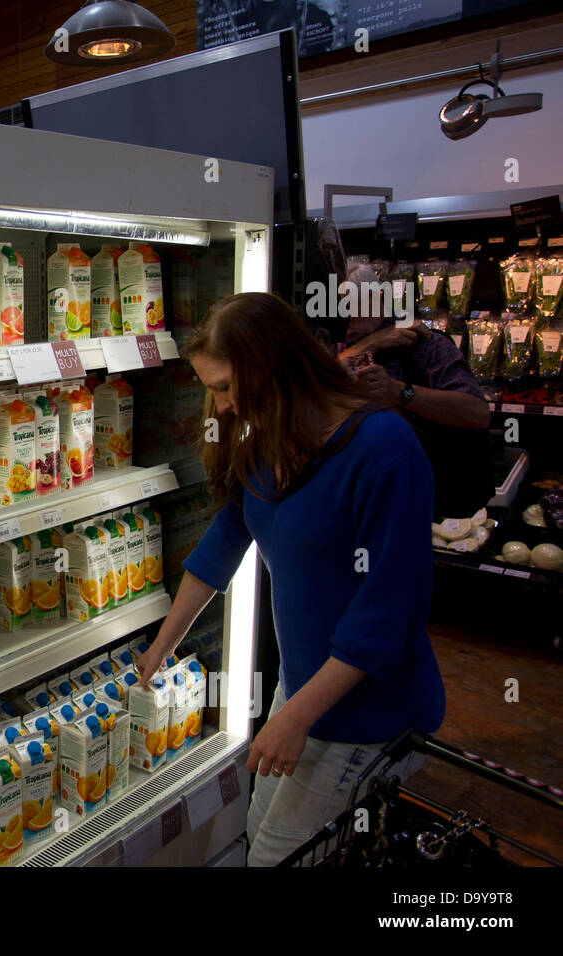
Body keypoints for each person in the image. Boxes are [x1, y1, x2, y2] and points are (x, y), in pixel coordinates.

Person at [136, 292, 445, 867]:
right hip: (301, 690)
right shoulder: (268, 442)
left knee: (278, 856)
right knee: (262, 835)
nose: (221, 407)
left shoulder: (385, 451)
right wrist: (164, 644)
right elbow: (223, 544)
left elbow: (385, 615)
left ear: (272, 365)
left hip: (369, 712)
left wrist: (294, 717)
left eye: (226, 386)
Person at [337, 262, 491, 518]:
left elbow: (477, 413)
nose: (347, 322)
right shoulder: (343, 345)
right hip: (369, 498)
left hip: (433, 502)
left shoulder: (425, 345)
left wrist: (400, 393)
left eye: (353, 308)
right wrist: (366, 344)